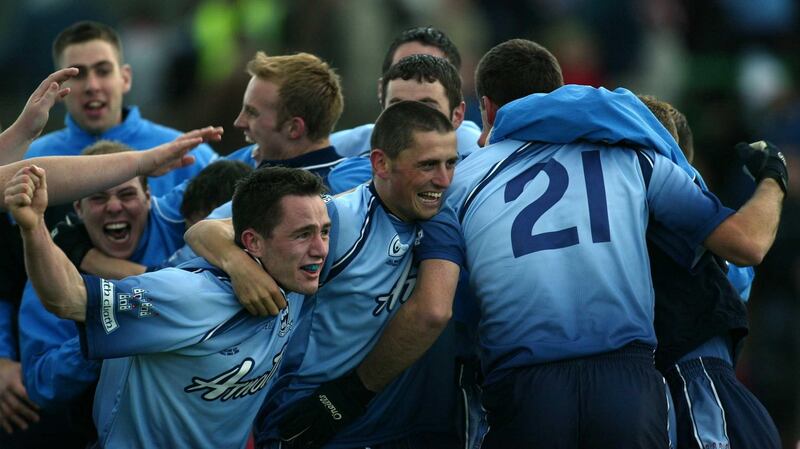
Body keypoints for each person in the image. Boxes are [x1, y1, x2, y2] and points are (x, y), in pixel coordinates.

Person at [278, 39, 787, 448]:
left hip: (523, 387)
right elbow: (747, 246)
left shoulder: (458, 179)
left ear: (484, 108)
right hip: (628, 383)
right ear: (562, 93)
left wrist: (347, 395)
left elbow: (432, 308)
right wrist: (773, 179)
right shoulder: (632, 154)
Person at [185, 101, 460, 448]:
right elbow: (204, 231)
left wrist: (352, 395)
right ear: (380, 163)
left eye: (451, 163)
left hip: (399, 427)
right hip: (314, 425)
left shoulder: (440, 216)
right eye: (427, 165)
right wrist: (238, 264)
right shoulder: (338, 218)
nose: (444, 179)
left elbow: (433, 312)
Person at [6, 165, 330, 448]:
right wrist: (33, 227)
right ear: (252, 241)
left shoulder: (297, 276)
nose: (320, 249)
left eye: (325, 232)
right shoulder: (182, 297)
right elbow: (67, 298)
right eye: (302, 235)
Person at [0, 125, 219, 442]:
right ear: (78, 208)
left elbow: (245, 187)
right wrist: (107, 331)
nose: (114, 207)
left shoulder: (177, 221)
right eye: (98, 198)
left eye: (127, 194)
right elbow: (42, 384)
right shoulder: (51, 271)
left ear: (149, 197)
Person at [638, 96, 782, 449]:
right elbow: (751, 243)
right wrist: (773, 177)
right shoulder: (668, 192)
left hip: (644, 392)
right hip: (694, 384)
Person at [23, 20, 218, 199]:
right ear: (55, 85)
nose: (92, 85)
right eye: (78, 74)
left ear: (125, 78)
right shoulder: (30, 163)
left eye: (103, 71)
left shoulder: (191, 157)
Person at [330, 26, 480, 159]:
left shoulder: (476, 153)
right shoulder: (339, 150)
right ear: (382, 89)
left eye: (432, 72)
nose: (414, 79)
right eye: (402, 71)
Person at [223, 51, 347, 182]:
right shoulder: (243, 164)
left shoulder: (350, 189)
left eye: (252, 112)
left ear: (294, 128)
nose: (239, 122)